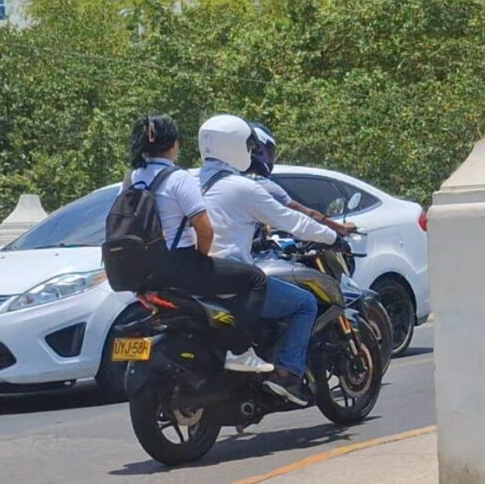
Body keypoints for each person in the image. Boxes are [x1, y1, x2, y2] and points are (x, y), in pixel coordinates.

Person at [197, 114, 340, 406]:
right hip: (234, 279)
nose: (251, 152)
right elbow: (292, 221)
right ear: (236, 146)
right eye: (248, 146)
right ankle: (287, 374)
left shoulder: (190, 181)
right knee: (305, 304)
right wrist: (332, 237)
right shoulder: (243, 187)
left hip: (195, 276)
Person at [125, 114, 273, 373]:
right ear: (173, 145)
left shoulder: (132, 177)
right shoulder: (179, 178)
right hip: (178, 267)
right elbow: (205, 231)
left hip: (141, 271)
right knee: (256, 280)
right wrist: (202, 259)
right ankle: (239, 351)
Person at [247, 122, 357, 238]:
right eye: (270, 152)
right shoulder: (259, 184)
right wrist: (340, 227)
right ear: (257, 149)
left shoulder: (231, 180)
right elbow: (305, 214)